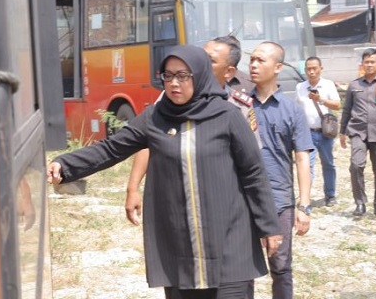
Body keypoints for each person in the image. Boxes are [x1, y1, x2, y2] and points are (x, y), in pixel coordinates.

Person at [47, 45, 282, 299]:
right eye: (168, 76)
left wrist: (269, 226)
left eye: (183, 76)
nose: (174, 83)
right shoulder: (156, 118)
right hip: (179, 243)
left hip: (229, 239)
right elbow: (111, 149)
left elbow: (253, 173)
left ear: (200, 75)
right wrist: (65, 164)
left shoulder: (227, 115)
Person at [125, 36, 260, 226]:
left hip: (226, 202)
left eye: (209, 61)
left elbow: (252, 165)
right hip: (180, 199)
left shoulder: (239, 107)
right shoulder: (172, 99)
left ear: (229, 72)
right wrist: (133, 188)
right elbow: (147, 140)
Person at [249, 41, 314, 299]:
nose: (253, 65)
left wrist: (304, 206)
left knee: (281, 266)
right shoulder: (239, 105)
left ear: (277, 67)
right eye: (252, 59)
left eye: (260, 60)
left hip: (280, 201)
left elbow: (301, 159)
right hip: (243, 199)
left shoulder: (292, 111)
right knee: (242, 269)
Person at [339, 48, 376, 217]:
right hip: (358, 131)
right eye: (366, 62)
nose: (369, 65)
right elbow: (346, 109)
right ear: (362, 64)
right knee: (356, 165)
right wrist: (342, 131)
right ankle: (360, 203)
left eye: (372, 62)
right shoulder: (354, 85)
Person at [295, 56, 341, 207]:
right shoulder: (300, 87)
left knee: (328, 164)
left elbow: (337, 105)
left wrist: (320, 99)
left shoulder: (328, 85)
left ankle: (330, 195)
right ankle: (305, 198)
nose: (312, 72)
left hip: (325, 132)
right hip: (307, 133)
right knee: (307, 166)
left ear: (321, 69)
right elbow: (297, 110)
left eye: (315, 68)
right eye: (309, 69)